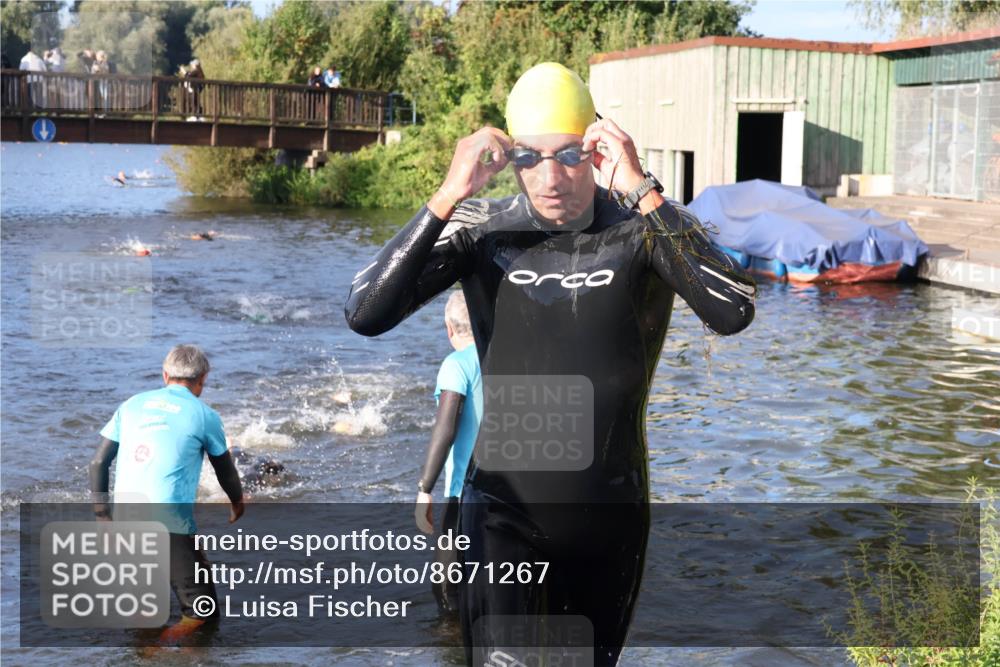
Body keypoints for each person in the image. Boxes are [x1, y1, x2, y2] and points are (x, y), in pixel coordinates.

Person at [344, 62, 756, 666]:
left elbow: (733, 308)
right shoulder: (483, 232)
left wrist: (642, 187)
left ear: (595, 149)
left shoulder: (641, 233)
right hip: (502, 514)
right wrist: (449, 192)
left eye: (567, 155)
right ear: (509, 159)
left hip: (607, 517)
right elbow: (365, 311)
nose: (550, 175)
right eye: (529, 158)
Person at [89, 344, 244, 643]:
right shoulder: (204, 414)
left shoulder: (131, 405)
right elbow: (225, 470)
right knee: (203, 612)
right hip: (167, 523)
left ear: (165, 375)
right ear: (202, 380)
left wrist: (102, 515)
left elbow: (98, 462)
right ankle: (160, 652)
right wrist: (237, 503)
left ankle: (144, 653)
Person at [414, 289, 482, 615]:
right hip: (513, 490)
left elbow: (447, 426)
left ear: (449, 328)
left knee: (446, 586)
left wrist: (425, 489)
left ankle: (453, 645)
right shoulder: (503, 356)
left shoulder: (456, 365)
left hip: (466, 493)